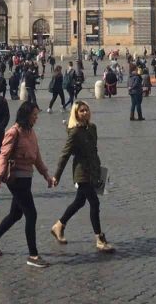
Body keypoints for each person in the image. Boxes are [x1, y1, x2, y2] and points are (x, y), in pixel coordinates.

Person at [0, 102, 55, 268]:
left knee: (16, 214)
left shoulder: (31, 132)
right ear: (26, 115)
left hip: (27, 176)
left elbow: (36, 155)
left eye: (37, 115)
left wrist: (46, 174)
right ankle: (33, 255)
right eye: (34, 115)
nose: (36, 118)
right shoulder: (13, 132)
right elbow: (3, 156)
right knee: (31, 214)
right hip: (16, 178)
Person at [50, 102, 113, 252]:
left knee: (79, 202)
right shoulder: (75, 132)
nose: (85, 112)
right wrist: (56, 175)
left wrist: (99, 171)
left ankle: (59, 225)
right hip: (81, 172)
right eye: (81, 111)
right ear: (76, 114)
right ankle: (99, 238)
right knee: (94, 203)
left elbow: (94, 150)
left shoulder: (92, 128)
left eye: (86, 110)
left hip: (93, 170)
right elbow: (65, 155)